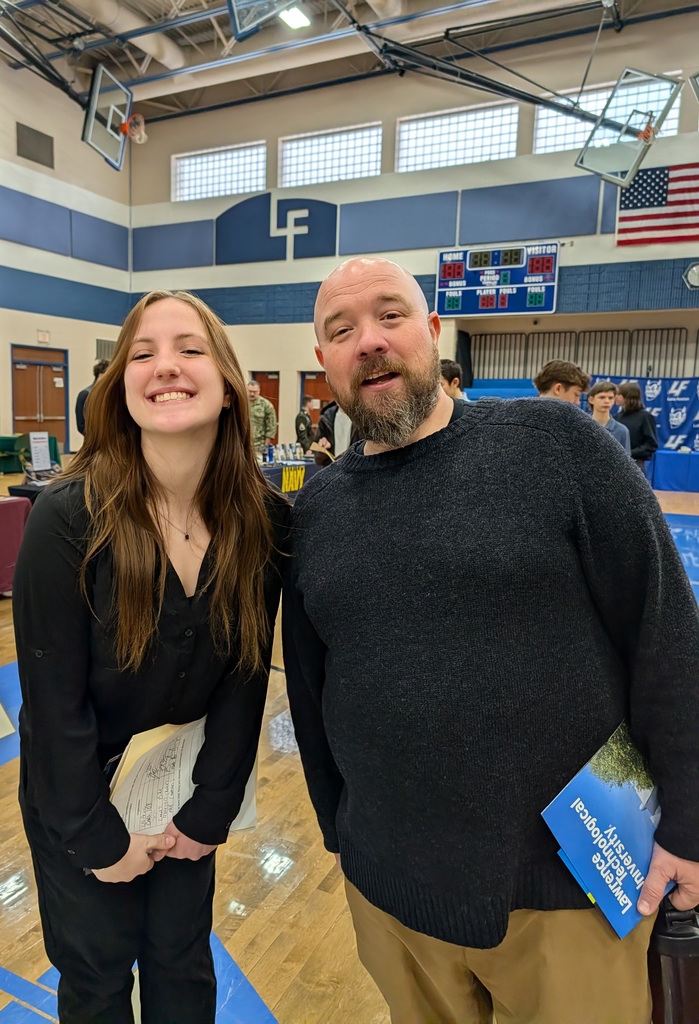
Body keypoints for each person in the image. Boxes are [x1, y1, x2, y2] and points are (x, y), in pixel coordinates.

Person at [282, 257, 699, 1024]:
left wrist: (688, 823)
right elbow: (309, 690)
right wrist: (334, 824)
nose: (367, 341)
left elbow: (667, 636)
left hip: (573, 890)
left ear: (434, 335)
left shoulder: (555, 445)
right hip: (391, 892)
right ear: (324, 365)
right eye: (341, 331)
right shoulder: (317, 511)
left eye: (390, 316)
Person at [13, 290, 289, 1024]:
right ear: (120, 386)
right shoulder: (67, 518)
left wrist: (209, 811)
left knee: (181, 963)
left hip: (179, 789)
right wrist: (97, 837)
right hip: (80, 798)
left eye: (189, 349)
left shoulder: (261, 520)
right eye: (143, 353)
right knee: (98, 977)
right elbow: (51, 704)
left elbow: (244, 676)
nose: (165, 366)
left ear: (230, 385)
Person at [616, 381, 658, 471]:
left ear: (627, 396)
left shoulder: (645, 417)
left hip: (635, 466)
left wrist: (629, 453)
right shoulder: (618, 417)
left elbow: (651, 444)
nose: (616, 397)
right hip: (616, 464)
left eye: (619, 394)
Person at [587, 380, 631, 453]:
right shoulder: (581, 425)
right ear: (591, 400)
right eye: (602, 397)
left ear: (614, 400)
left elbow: (626, 461)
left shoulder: (622, 431)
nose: (607, 401)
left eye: (610, 398)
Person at [75, 359, 110, 435]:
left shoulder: (110, 395)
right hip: (93, 441)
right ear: (101, 375)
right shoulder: (84, 395)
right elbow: (81, 425)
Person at [247, 379, 277, 453]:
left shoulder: (266, 405)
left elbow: (272, 425)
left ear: (259, 391)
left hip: (259, 444)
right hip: (241, 442)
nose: (252, 394)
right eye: (250, 391)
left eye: (254, 392)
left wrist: (267, 443)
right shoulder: (240, 403)